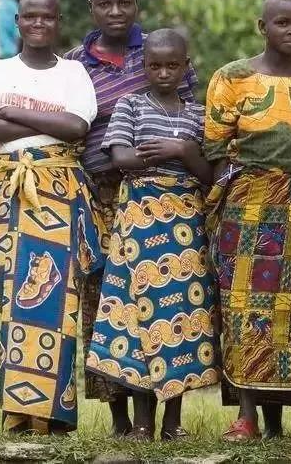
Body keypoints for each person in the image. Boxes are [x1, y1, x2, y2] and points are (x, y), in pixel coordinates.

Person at [205, 0, 291, 446]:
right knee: (249, 311)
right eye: (282, 23)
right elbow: (214, 150)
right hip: (250, 207)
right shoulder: (232, 78)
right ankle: (246, 417)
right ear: (262, 27)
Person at [64, 0, 197, 436]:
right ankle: (121, 418)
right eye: (105, 4)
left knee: (164, 302)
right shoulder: (75, 62)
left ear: (136, 4)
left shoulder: (160, 51)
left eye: (124, 4)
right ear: (92, 8)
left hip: (167, 200)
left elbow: (186, 123)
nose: (115, 12)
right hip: (101, 193)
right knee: (106, 306)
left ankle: (167, 408)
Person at [0, 0, 102, 434]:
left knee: (58, 301)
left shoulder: (73, 73)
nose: (39, 23)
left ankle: (53, 412)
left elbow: (75, 126)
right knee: (13, 298)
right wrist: (19, 120)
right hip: (12, 192)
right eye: (30, 16)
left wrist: (13, 114)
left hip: (60, 190)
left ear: (58, 21)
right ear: (18, 22)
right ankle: (16, 410)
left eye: (47, 16)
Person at [85, 29, 218, 441]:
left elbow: (210, 173)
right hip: (139, 219)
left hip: (185, 223)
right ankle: (142, 423)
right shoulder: (131, 104)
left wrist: (181, 151)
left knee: (179, 318)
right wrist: (163, 152)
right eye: (154, 65)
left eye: (172, 65)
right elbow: (119, 156)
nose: (163, 72)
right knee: (136, 317)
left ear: (185, 65)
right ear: (144, 68)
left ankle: (173, 422)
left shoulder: (197, 114)